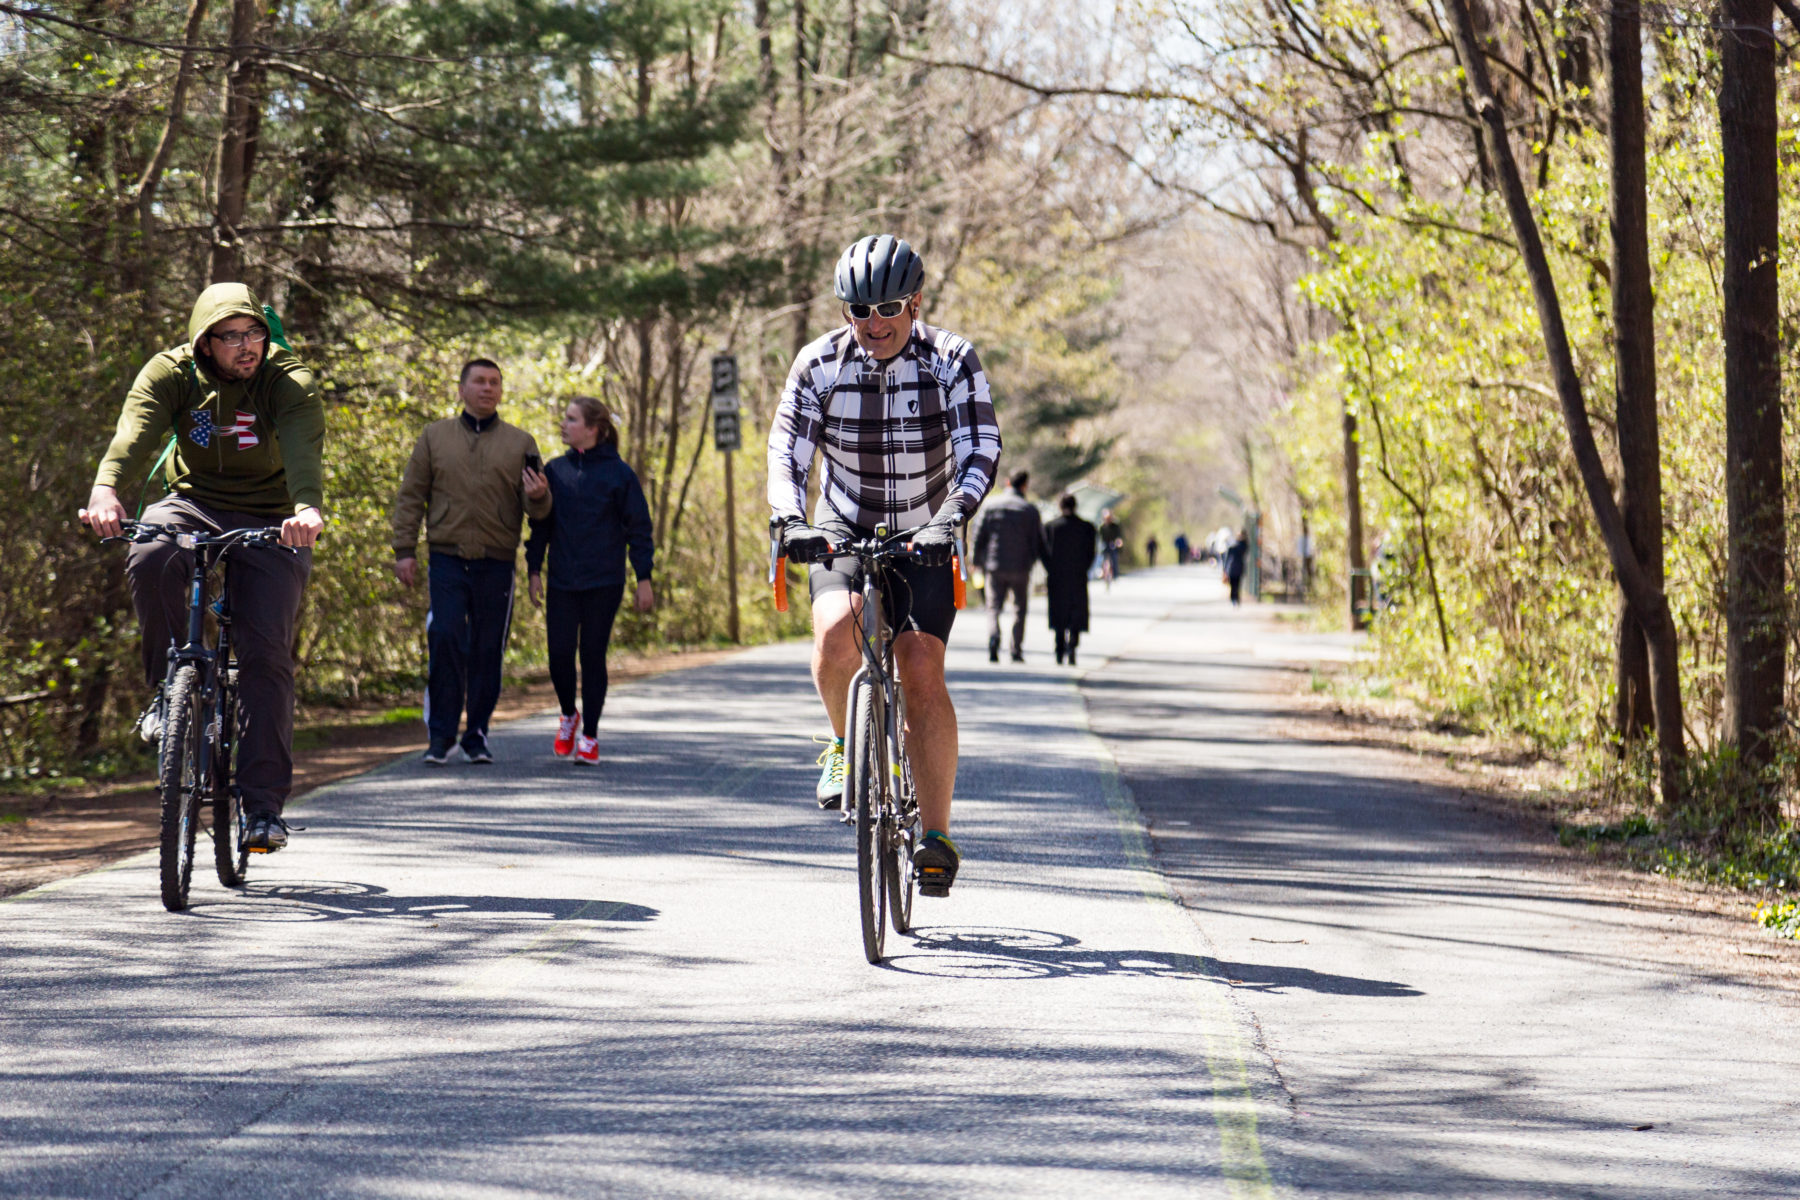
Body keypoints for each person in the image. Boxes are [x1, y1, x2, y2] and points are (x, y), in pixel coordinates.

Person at [767, 234, 1001, 897]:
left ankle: (936, 835)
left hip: (929, 525)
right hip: (844, 520)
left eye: (889, 308)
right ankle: (845, 747)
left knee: (921, 668)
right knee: (835, 629)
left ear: (915, 303)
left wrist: (951, 519)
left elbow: (980, 447)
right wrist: (790, 519)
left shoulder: (951, 359)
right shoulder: (818, 363)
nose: (874, 324)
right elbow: (787, 450)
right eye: (859, 311)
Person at [79, 283, 325, 853]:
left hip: (274, 515)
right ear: (204, 343)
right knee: (150, 549)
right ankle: (170, 690)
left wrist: (307, 508)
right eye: (231, 336)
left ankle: (262, 809)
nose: (247, 345)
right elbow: (135, 432)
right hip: (193, 502)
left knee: (266, 654)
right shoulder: (172, 373)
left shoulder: (288, 380)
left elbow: (302, 447)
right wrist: (105, 489)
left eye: (254, 332)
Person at [390, 359, 551, 765]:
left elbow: (539, 511)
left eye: (494, 382)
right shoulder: (434, 436)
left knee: (487, 648)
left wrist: (539, 497)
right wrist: (404, 551)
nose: (487, 388)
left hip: (497, 563)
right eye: (479, 381)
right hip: (447, 558)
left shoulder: (521, 443)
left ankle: (476, 733)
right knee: (445, 638)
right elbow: (411, 496)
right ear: (461, 390)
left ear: (501, 391)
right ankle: (440, 736)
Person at [524, 396, 655, 765]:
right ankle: (569, 714)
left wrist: (643, 577)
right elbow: (540, 526)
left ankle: (591, 736)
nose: (563, 424)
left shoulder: (620, 474)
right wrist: (534, 570)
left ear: (593, 429)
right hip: (562, 580)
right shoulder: (555, 470)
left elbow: (639, 529)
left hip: (604, 581)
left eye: (571, 419)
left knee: (592, 656)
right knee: (559, 655)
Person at [970, 468, 1042, 663]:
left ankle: (994, 639)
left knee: (993, 607)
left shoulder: (990, 505)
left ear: (1007, 483)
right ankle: (1016, 649)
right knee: (1019, 609)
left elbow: (978, 535)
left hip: (994, 566)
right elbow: (1037, 541)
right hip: (1021, 567)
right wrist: (1032, 561)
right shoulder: (1030, 510)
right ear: (1025, 486)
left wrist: (976, 561)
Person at [1041, 494, 1096, 666]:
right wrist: (1084, 568)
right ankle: (1072, 647)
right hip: (1078, 575)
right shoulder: (1087, 527)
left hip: (1057, 576)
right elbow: (1091, 553)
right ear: (1075, 506)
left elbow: (1043, 552)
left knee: (1059, 611)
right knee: (1076, 611)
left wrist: (1050, 569)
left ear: (1060, 506)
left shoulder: (1050, 527)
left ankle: (1059, 649)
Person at [1223, 528, 1249, 606]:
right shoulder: (1232, 545)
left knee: (1237, 584)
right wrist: (1225, 570)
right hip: (1232, 568)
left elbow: (1244, 549)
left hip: (1239, 568)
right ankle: (1233, 598)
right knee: (1232, 584)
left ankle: (1236, 598)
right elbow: (1227, 558)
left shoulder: (1243, 545)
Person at [1098, 508, 1123, 584]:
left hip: (1112, 543)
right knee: (1101, 557)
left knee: (1114, 557)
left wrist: (1119, 542)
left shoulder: (1115, 526)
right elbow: (1099, 537)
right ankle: (1102, 571)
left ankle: (1115, 574)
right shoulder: (1102, 527)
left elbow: (1118, 536)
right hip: (1104, 543)